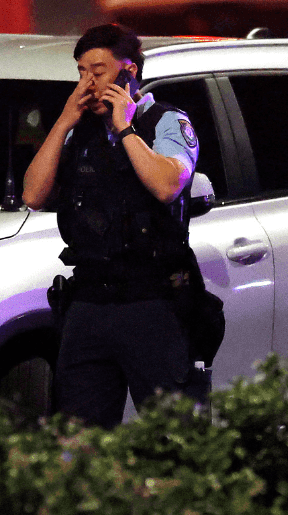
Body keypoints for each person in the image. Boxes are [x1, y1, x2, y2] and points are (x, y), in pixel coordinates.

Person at [21, 24, 209, 428]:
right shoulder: (81, 133)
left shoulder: (165, 121)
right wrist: (63, 123)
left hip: (151, 302)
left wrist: (125, 126)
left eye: (98, 71)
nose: (87, 83)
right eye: (81, 72)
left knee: (175, 436)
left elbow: (166, 185)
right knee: (80, 436)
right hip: (88, 302)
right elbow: (34, 195)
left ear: (129, 73)